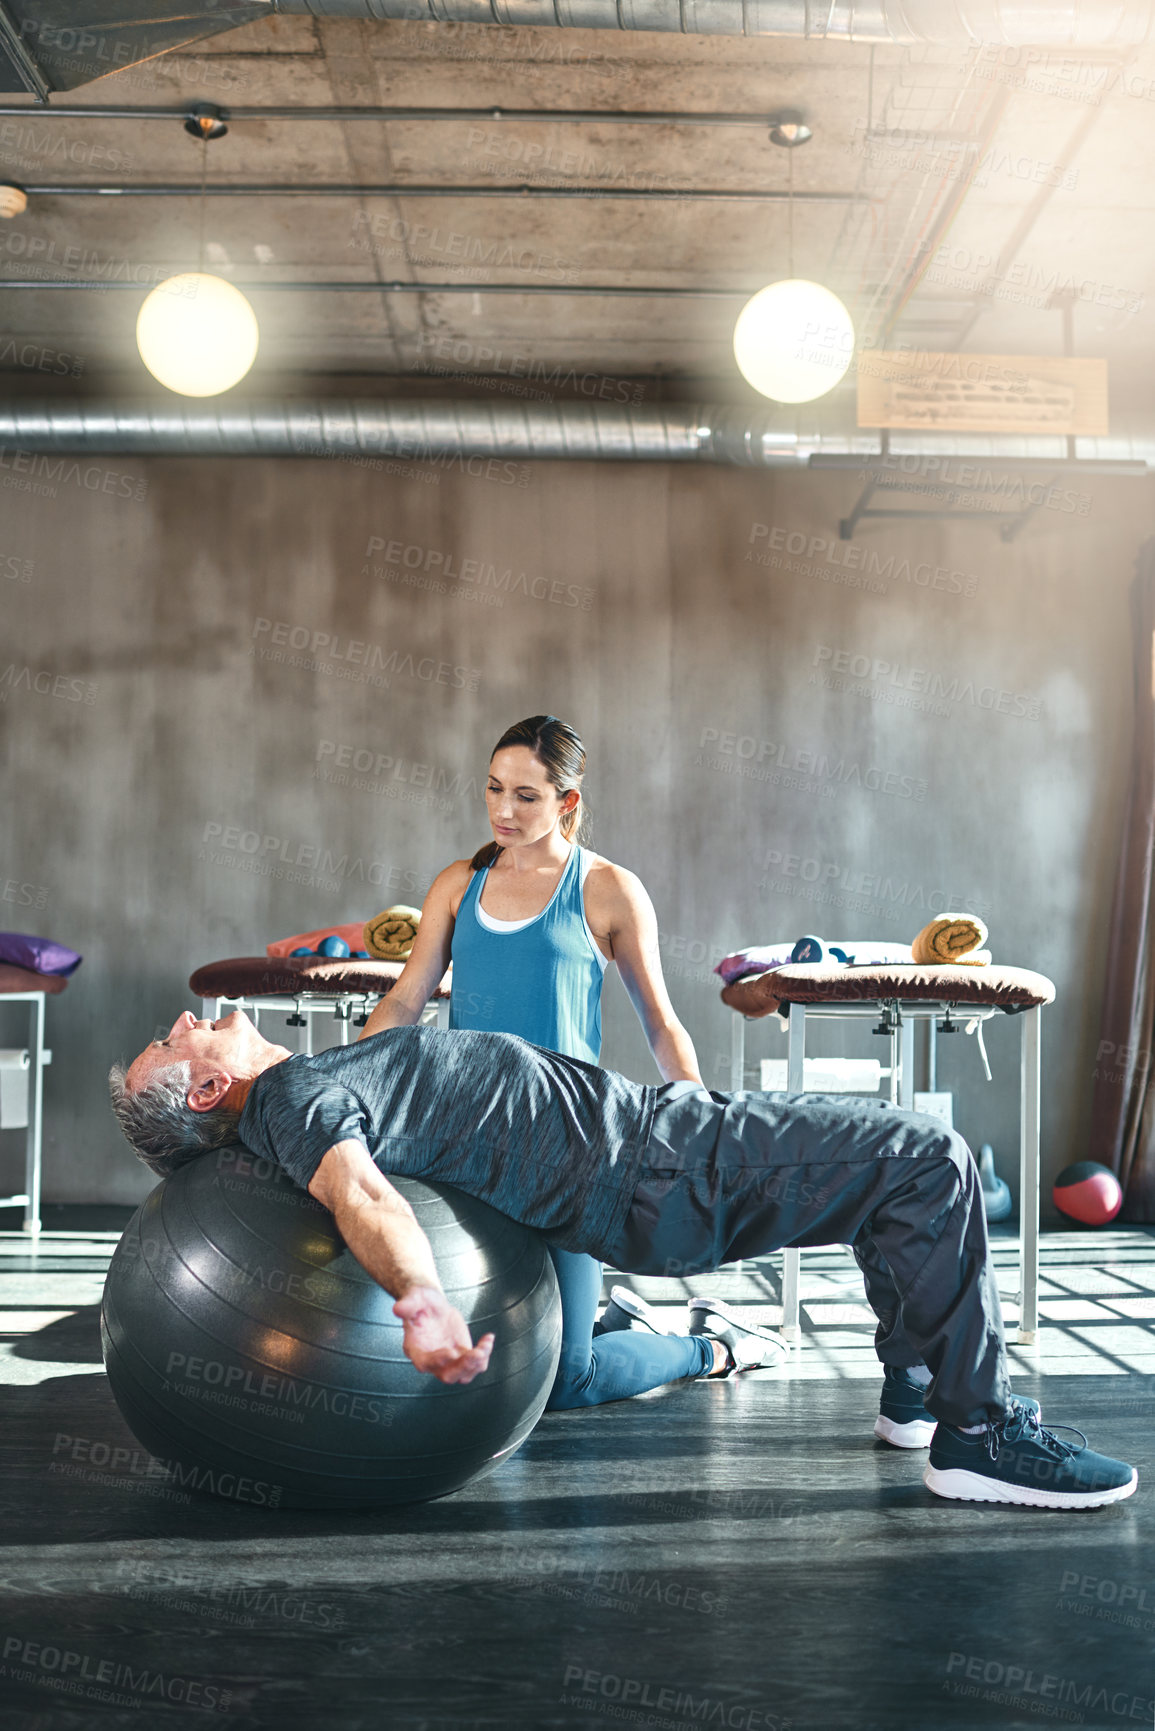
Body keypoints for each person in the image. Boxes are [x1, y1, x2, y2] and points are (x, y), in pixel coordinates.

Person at [110, 1010, 1138, 1512]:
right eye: (178, 1037)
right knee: (929, 1158)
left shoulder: (304, 1084)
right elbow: (362, 1194)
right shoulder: (294, 1106)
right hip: (659, 1166)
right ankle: (978, 1434)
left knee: (886, 1175)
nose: (191, 1019)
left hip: (655, 1146)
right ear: (205, 1093)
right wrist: (421, 1299)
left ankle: (916, 1393)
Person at [356, 714, 783, 1403]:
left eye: (526, 795)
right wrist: (347, 1085)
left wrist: (705, 1129)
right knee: (465, 1360)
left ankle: (711, 1346)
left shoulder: (608, 889)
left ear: (567, 802)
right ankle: (618, 1319)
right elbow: (407, 1000)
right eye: (494, 789)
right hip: (464, 1145)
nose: (503, 808)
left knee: (564, 1379)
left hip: (570, 1151)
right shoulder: (457, 885)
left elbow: (660, 1022)